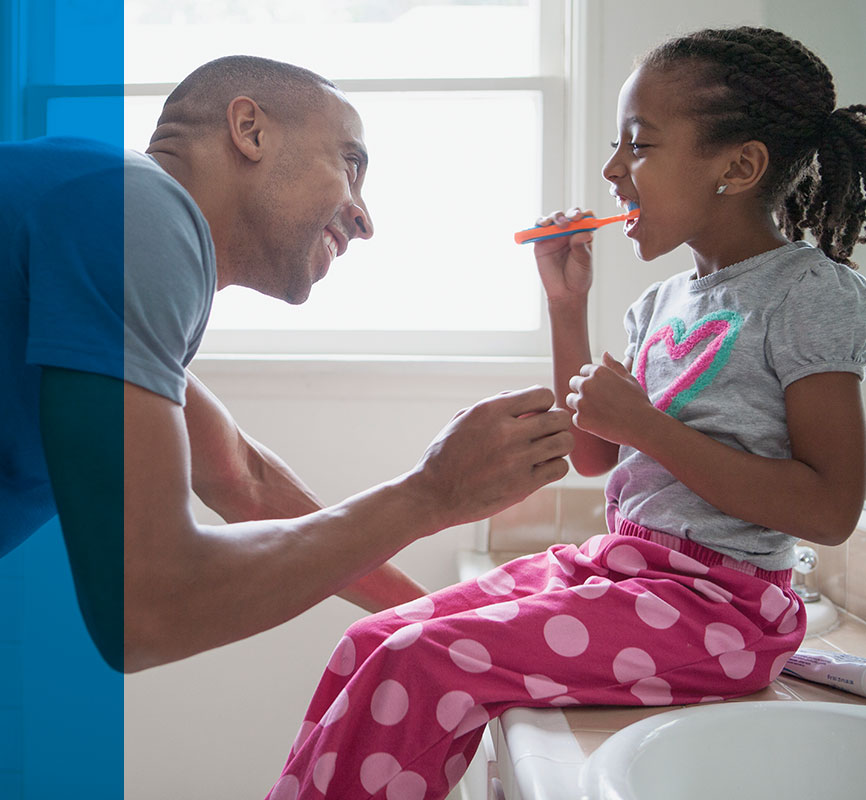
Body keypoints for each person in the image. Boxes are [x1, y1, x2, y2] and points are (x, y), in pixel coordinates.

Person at [265, 27, 866, 800]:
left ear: (739, 166)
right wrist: (567, 306)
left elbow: (828, 509)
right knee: (373, 637)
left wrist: (650, 427)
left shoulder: (809, 294)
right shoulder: (663, 302)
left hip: (722, 609)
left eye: (639, 146)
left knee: (420, 660)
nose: (613, 168)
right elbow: (595, 457)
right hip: (627, 569)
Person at [0, 55, 575, 673]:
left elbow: (243, 479)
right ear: (249, 130)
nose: (364, 217)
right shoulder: (137, 211)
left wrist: (451, 619)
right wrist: (432, 493)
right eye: (350, 165)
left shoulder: (105, 220)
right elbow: (148, 612)